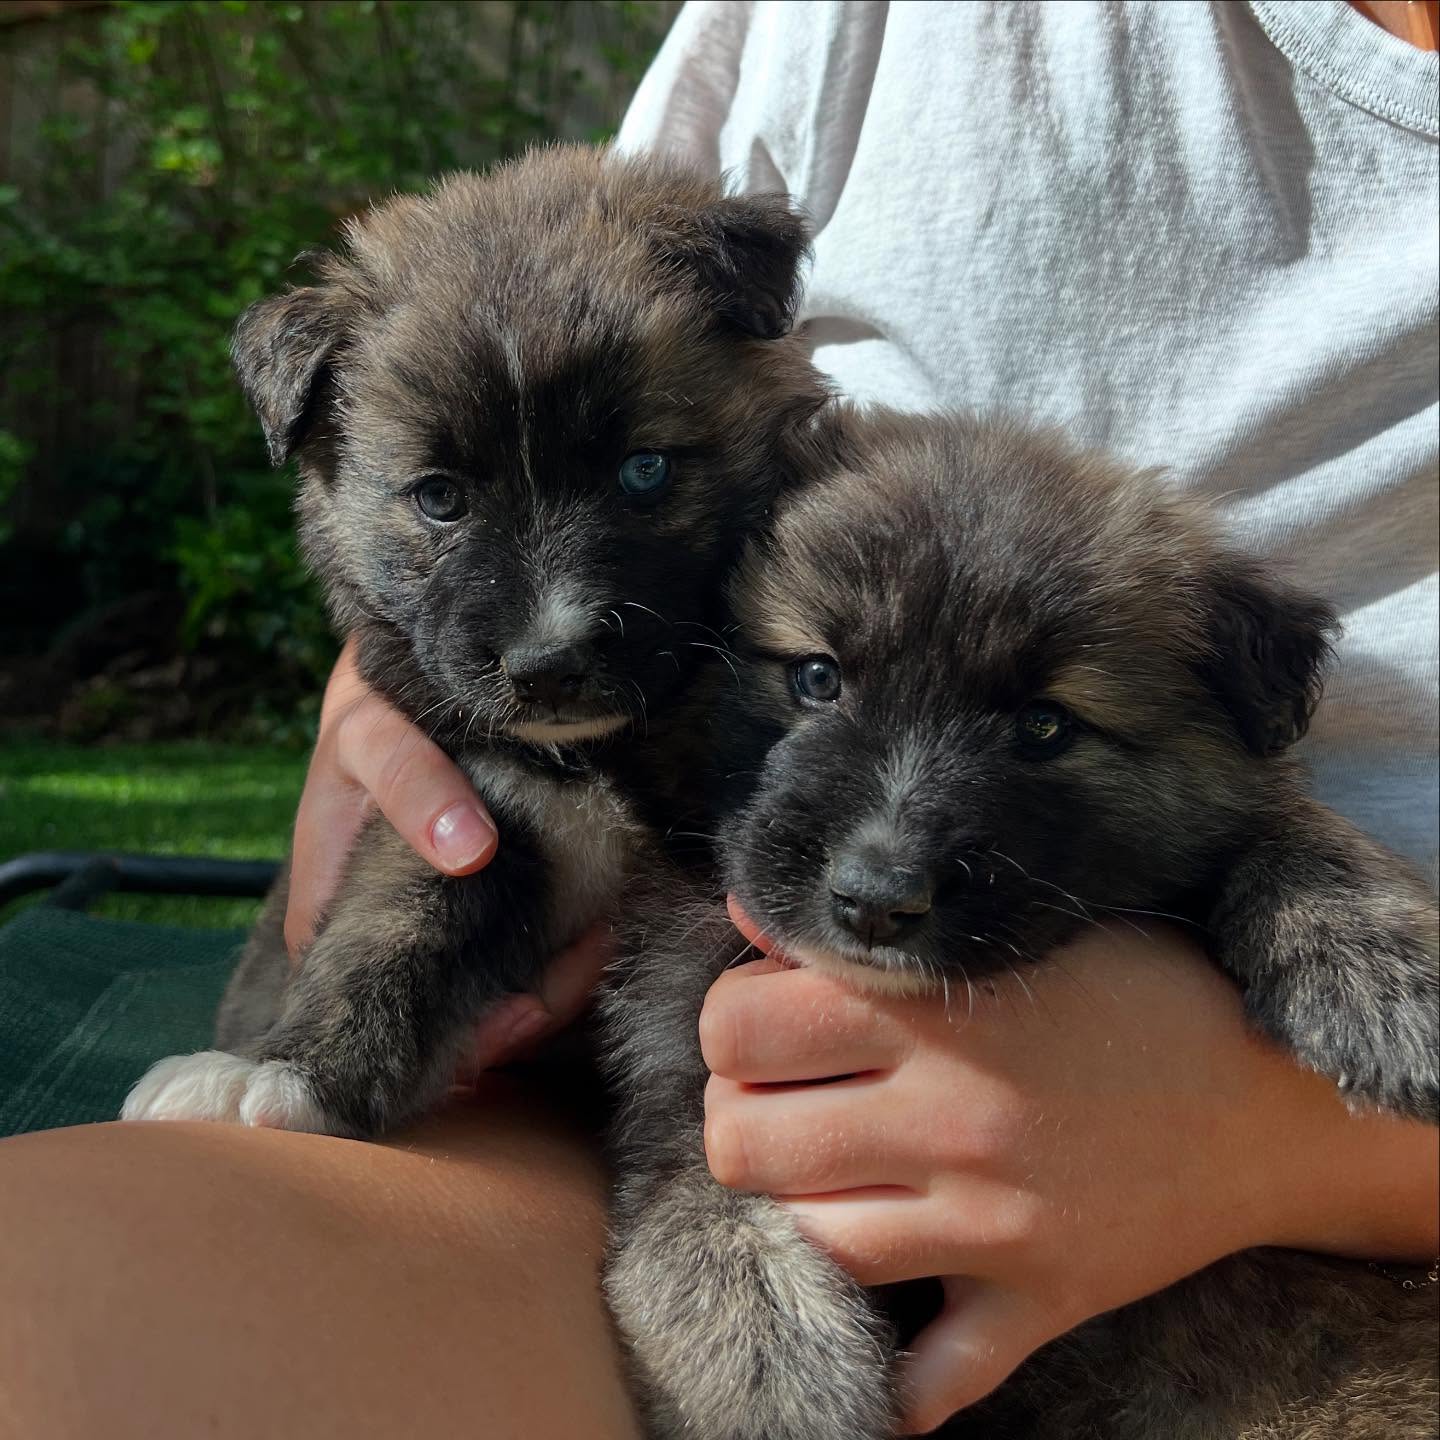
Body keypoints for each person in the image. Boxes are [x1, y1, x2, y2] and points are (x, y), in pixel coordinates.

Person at [1, 4, 1434, 1436]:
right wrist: (398, 720)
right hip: (621, 1154)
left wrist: (1296, 1149)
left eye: (641, 480)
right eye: (443, 502)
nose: (557, 620)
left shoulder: (1209, 698)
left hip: (1314, 1261)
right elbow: (493, 351)